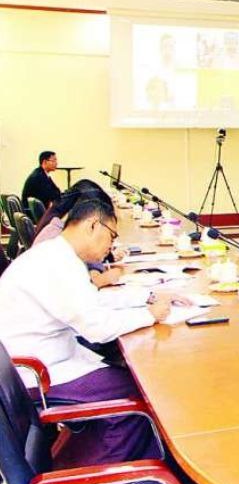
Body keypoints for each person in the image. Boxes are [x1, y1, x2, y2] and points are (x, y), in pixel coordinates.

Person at [0, 199, 183, 468]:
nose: (111, 246)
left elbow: (93, 302)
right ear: (93, 226)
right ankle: (108, 471)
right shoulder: (56, 264)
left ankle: (134, 458)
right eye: (112, 236)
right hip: (38, 373)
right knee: (140, 393)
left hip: (43, 359)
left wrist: (148, 296)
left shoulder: (58, 256)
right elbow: (97, 328)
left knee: (129, 377)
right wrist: (149, 315)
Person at [33, 180, 125, 288]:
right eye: (111, 236)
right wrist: (101, 280)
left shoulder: (64, 235)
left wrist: (95, 269)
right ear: (92, 222)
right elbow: (67, 291)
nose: (110, 245)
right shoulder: (52, 241)